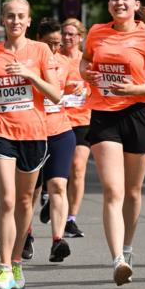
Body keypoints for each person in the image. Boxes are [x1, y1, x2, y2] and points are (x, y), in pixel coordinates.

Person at [81, 0, 145, 285]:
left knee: (132, 192)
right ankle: (117, 259)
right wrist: (85, 73)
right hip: (104, 115)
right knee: (112, 191)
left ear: (135, 4)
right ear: (109, 5)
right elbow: (85, 62)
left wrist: (135, 88)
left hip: (138, 115)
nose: (119, 2)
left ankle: (128, 248)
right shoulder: (96, 33)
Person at [0, 0, 61, 289]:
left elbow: (56, 95)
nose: (15, 21)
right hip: (0, 130)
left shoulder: (41, 50)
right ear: (3, 18)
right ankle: (3, 268)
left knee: (25, 202)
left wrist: (31, 75)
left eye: (21, 16)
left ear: (28, 20)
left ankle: (16, 260)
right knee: (8, 199)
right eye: (10, 16)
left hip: (34, 133)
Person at [35, 18, 81, 261]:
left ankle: (57, 240)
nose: (54, 49)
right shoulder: (27, 62)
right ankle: (26, 234)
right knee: (29, 193)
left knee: (58, 186)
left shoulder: (64, 62)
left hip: (61, 130)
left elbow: (77, 87)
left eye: (58, 44)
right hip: (31, 133)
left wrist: (78, 88)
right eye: (50, 43)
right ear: (38, 40)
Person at [61, 17, 92, 237]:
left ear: (80, 37)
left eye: (72, 34)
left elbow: (98, 84)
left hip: (83, 120)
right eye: (65, 33)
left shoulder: (88, 60)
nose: (67, 37)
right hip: (59, 120)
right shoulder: (55, 58)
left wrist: (86, 89)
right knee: (61, 173)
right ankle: (53, 201)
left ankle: (71, 219)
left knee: (78, 168)